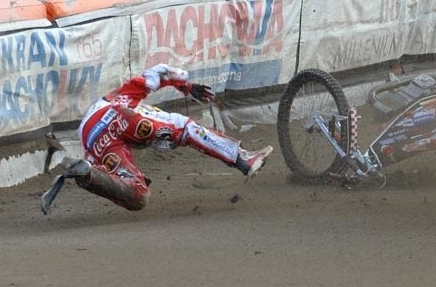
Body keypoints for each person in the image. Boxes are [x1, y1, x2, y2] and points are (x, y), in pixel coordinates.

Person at [41, 64, 271, 214]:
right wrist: (187, 86)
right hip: (119, 116)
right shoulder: (124, 96)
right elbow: (159, 72)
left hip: (90, 138)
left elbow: (154, 75)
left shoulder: (117, 96)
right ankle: (242, 159)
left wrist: (91, 172)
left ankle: (87, 174)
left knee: (138, 194)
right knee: (184, 127)